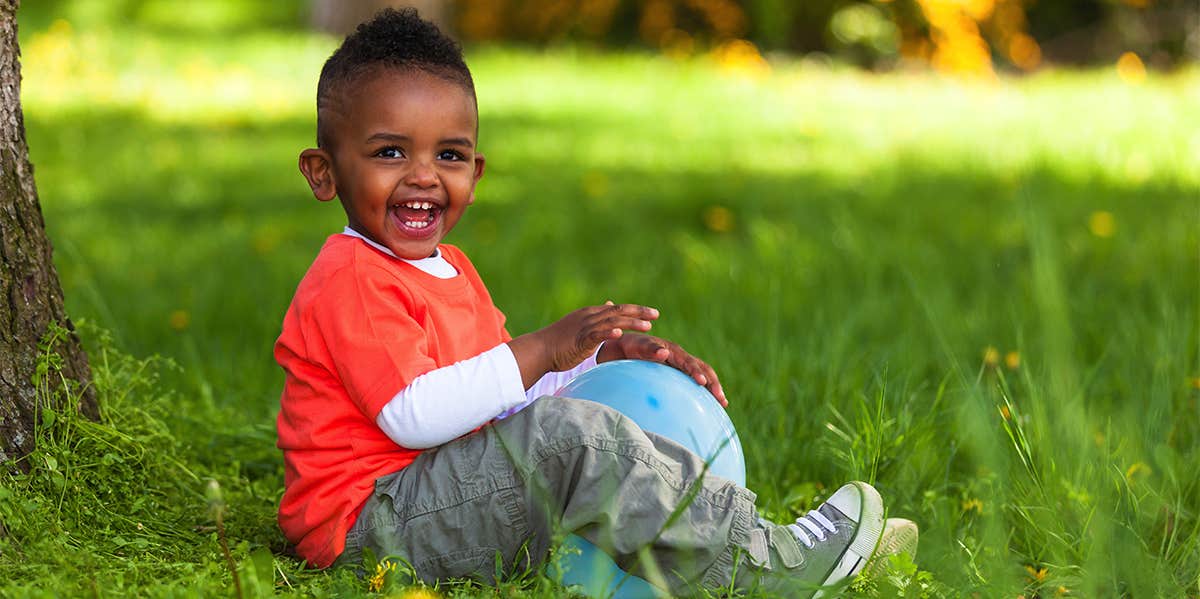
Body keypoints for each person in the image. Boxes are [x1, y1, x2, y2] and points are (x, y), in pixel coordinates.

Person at [275, 8, 914, 596]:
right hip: (370, 527)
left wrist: (593, 363)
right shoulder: (351, 277)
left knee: (580, 429)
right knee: (568, 441)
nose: (422, 175)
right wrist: (539, 349)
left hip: (438, 498)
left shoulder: (451, 270)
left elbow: (504, 397)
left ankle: (752, 544)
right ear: (323, 172)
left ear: (477, 172)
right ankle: (770, 568)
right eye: (390, 151)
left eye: (450, 154)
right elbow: (410, 416)